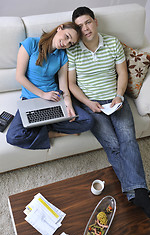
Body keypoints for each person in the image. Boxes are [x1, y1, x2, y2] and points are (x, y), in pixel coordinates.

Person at [67, 7, 150, 220]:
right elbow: (71, 85)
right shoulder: (73, 50)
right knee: (113, 144)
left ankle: (136, 193)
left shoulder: (112, 43)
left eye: (88, 22)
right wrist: (88, 103)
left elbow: (121, 73)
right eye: (80, 26)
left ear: (95, 22)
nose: (85, 28)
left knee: (128, 140)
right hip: (91, 105)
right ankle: (139, 193)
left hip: (115, 101)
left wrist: (119, 95)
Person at [6, 22, 94, 150]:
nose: (66, 43)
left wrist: (68, 104)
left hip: (55, 99)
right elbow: (19, 76)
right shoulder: (30, 44)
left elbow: (63, 86)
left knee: (88, 121)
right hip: (32, 99)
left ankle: (43, 125)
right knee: (13, 136)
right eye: (67, 36)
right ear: (60, 28)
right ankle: (52, 133)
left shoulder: (63, 56)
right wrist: (43, 95)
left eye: (71, 43)